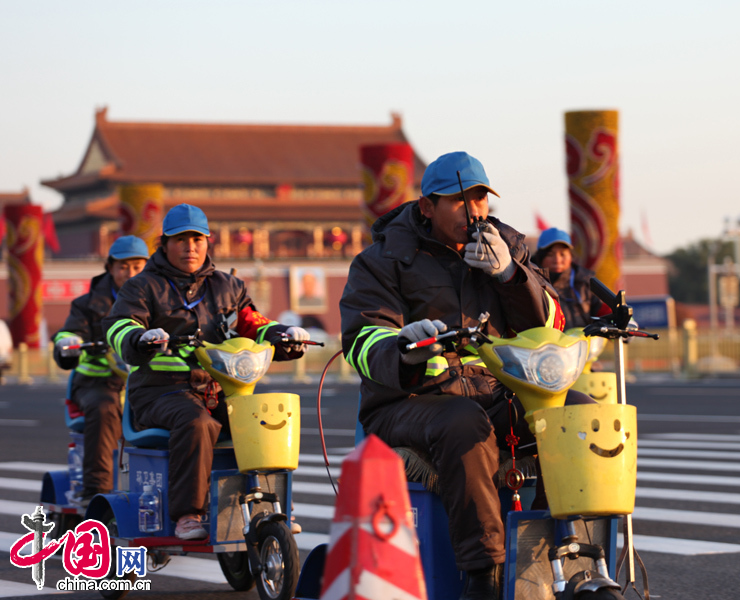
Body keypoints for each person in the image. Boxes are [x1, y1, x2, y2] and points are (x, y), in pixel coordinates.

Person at [340, 151, 570, 600]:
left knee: (573, 415)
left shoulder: (508, 246)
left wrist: (511, 276)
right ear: (427, 207)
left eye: (481, 198)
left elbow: (551, 324)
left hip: (495, 395)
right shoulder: (381, 260)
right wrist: (403, 348)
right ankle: (481, 574)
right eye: (459, 201)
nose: (474, 211)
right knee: (463, 422)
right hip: (407, 404)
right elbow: (361, 340)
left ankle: (557, 553)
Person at [103, 204, 309, 540]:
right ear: (164, 243)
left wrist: (283, 334)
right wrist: (140, 337)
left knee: (264, 418)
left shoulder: (229, 286)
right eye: (181, 239)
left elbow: (252, 324)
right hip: (158, 391)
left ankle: (272, 507)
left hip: (219, 390)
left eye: (197, 238)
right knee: (198, 422)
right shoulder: (141, 287)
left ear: (207, 241)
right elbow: (119, 326)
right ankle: (188, 514)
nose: (190, 247)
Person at [53, 235, 149, 506]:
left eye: (138, 266)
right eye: (123, 266)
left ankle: (168, 500)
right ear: (110, 268)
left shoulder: (158, 298)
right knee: (105, 409)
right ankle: (96, 493)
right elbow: (68, 333)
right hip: (96, 383)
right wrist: (68, 342)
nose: (130, 273)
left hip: (144, 381)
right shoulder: (86, 304)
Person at [534, 227, 609, 328]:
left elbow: (608, 313)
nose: (557, 260)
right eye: (550, 254)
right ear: (540, 257)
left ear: (571, 256)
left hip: (582, 343)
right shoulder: (529, 283)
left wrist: (624, 323)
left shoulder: (586, 283)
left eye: (562, 254)